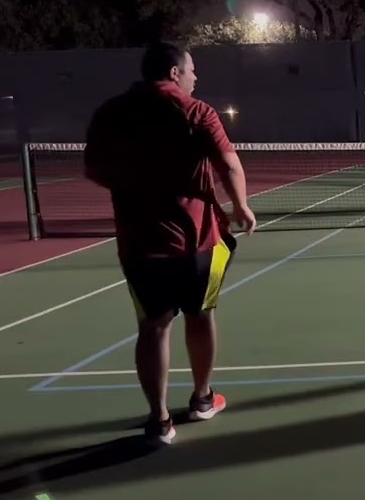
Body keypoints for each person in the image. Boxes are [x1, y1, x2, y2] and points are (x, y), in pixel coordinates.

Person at [84, 42, 256, 445]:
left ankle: (160, 421)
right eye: (192, 70)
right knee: (202, 316)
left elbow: (93, 168)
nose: (196, 77)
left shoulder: (111, 112)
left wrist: (134, 187)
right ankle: (201, 399)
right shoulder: (197, 112)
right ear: (175, 73)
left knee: (152, 327)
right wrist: (242, 207)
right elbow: (228, 164)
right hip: (199, 242)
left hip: (141, 245)